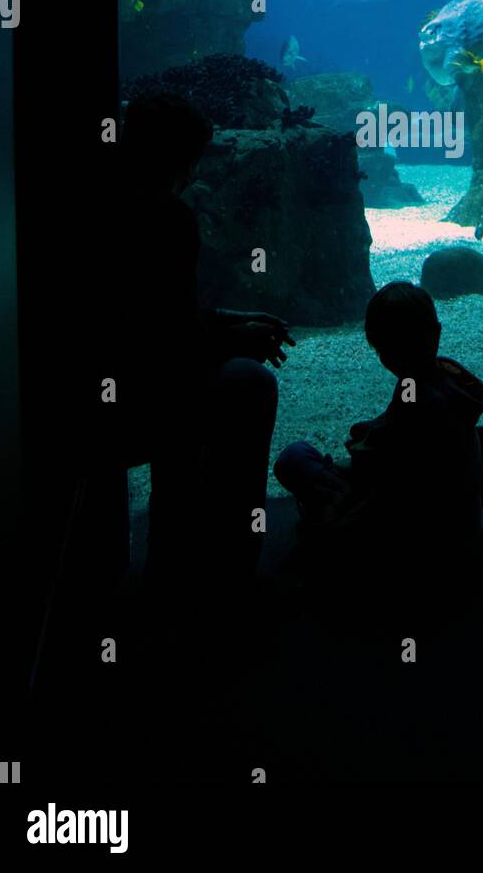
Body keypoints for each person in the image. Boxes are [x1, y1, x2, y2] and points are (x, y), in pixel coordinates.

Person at [100, 92, 295, 597]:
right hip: (138, 395)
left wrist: (231, 321)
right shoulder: (167, 220)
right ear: (181, 159)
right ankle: (231, 569)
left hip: (125, 377)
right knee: (246, 385)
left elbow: (158, 315)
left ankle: (172, 564)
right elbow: (166, 343)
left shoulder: (108, 202)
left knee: (192, 385)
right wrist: (237, 340)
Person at [274, 281, 483, 594]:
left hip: (415, 552)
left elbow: (391, 491)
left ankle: (330, 515)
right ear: (435, 333)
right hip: (461, 531)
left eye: (384, 348)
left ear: (381, 350)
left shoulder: (416, 401)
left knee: (293, 458)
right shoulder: (450, 379)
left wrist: (331, 537)